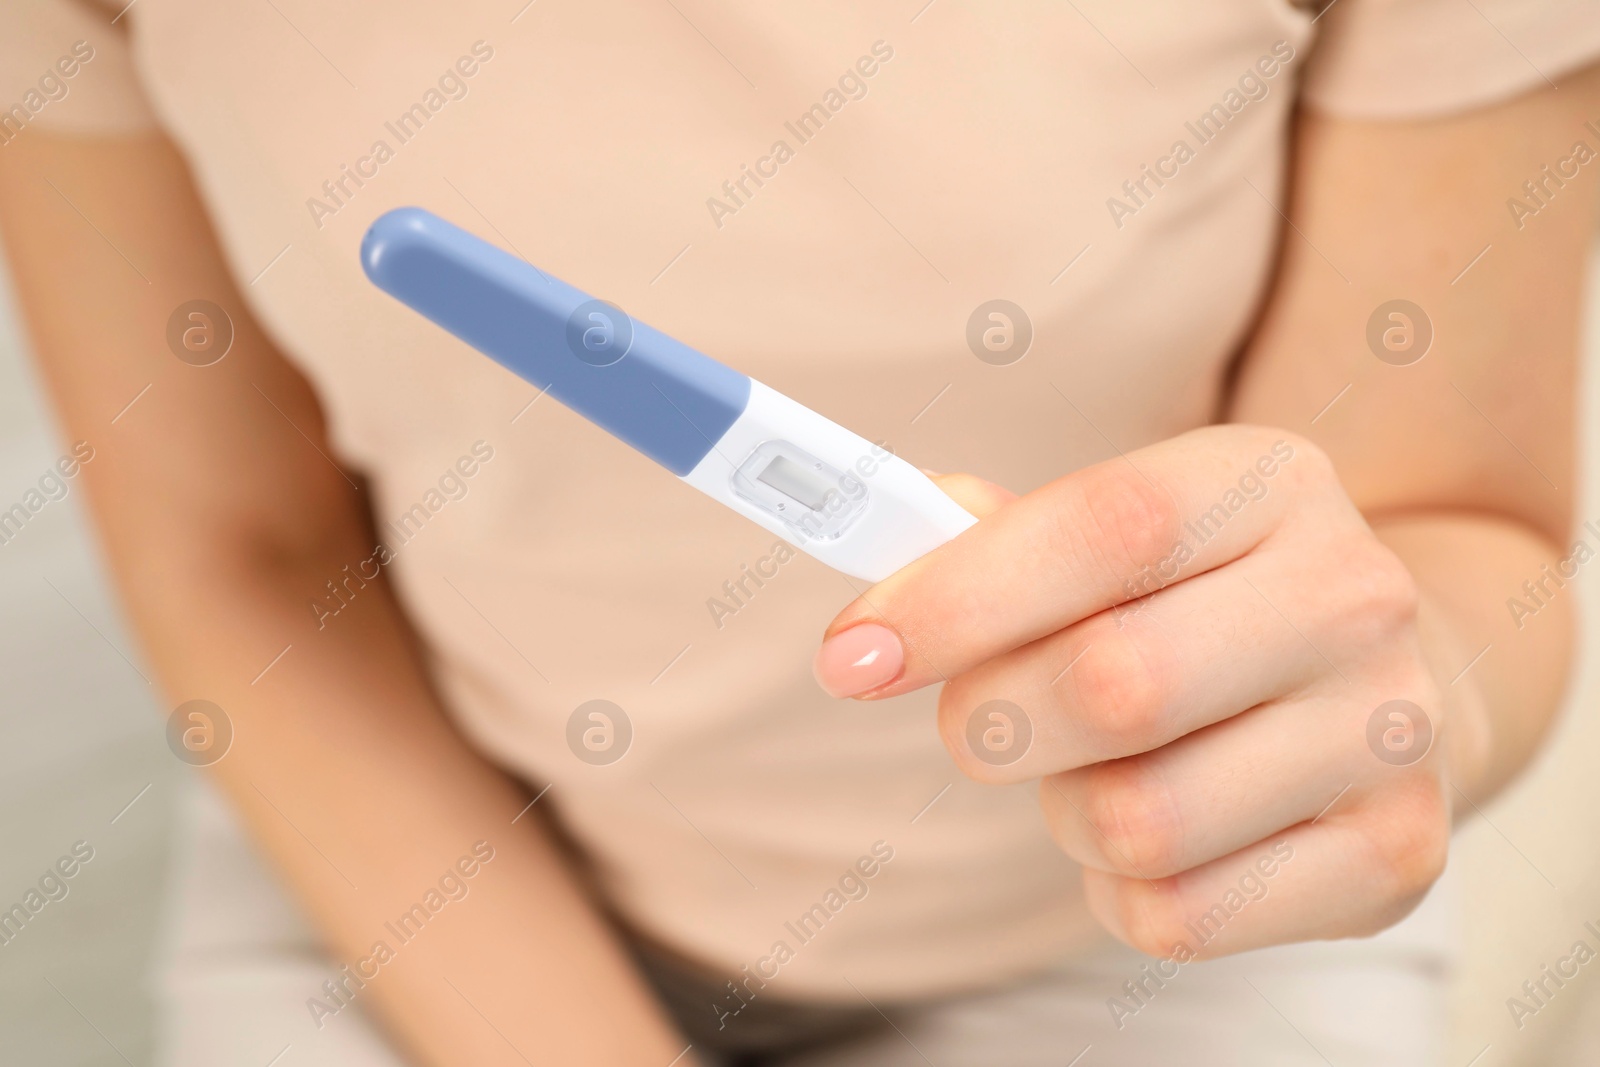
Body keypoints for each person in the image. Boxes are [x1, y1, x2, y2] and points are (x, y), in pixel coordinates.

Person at [2, 0, 1598, 1063]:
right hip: (406, 834)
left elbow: (1457, 528)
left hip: (1168, 928)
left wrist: (1392, 708)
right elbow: (242, 548)